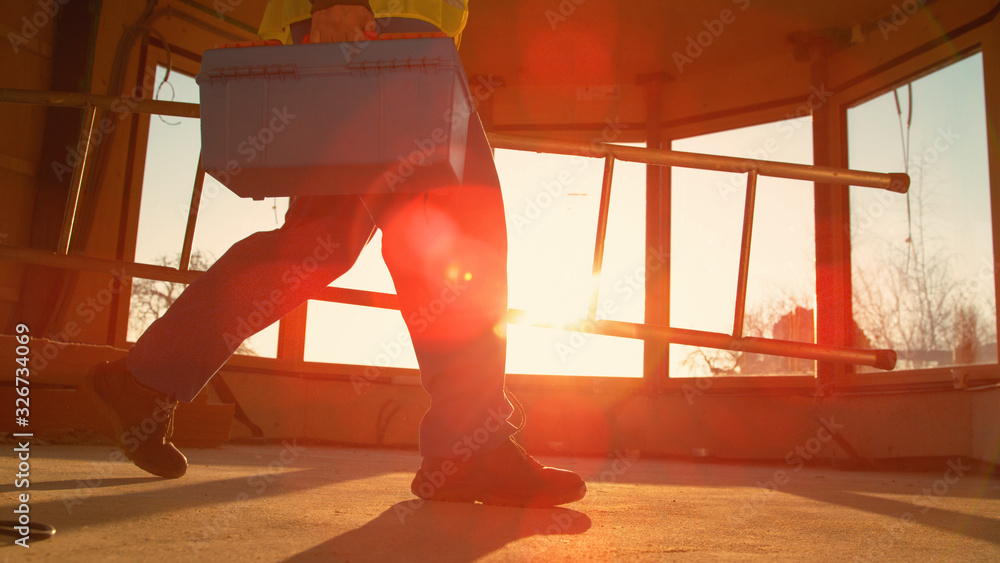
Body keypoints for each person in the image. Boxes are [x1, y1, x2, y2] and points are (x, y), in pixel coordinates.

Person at [83, 0, 586, 507]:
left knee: (315, 247)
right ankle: (468, 448)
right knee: (458, 230)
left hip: (365, 38)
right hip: (381, 35)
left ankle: (143, 381)